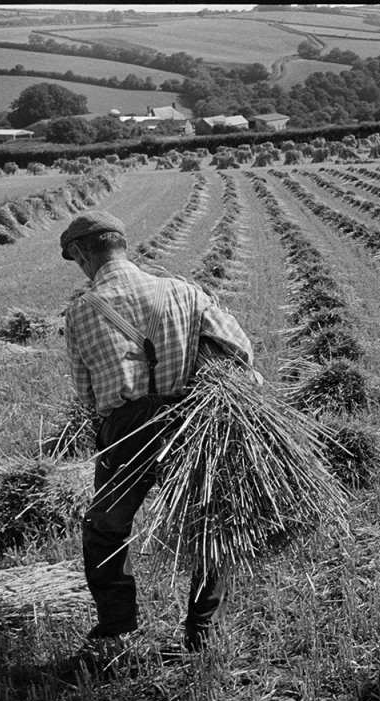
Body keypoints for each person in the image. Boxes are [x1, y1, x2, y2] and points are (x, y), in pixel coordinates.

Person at [60, 210, 258, 654]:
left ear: (81, 253)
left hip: (126, 430)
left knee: (106, 527)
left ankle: (117, 627)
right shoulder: (185, 292)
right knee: (210, 521)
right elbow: (240, 350)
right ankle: (203, 630)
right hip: (190, 418)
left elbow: (85, 393)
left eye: (76, 260)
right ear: (121, 245)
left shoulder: (81, 312)